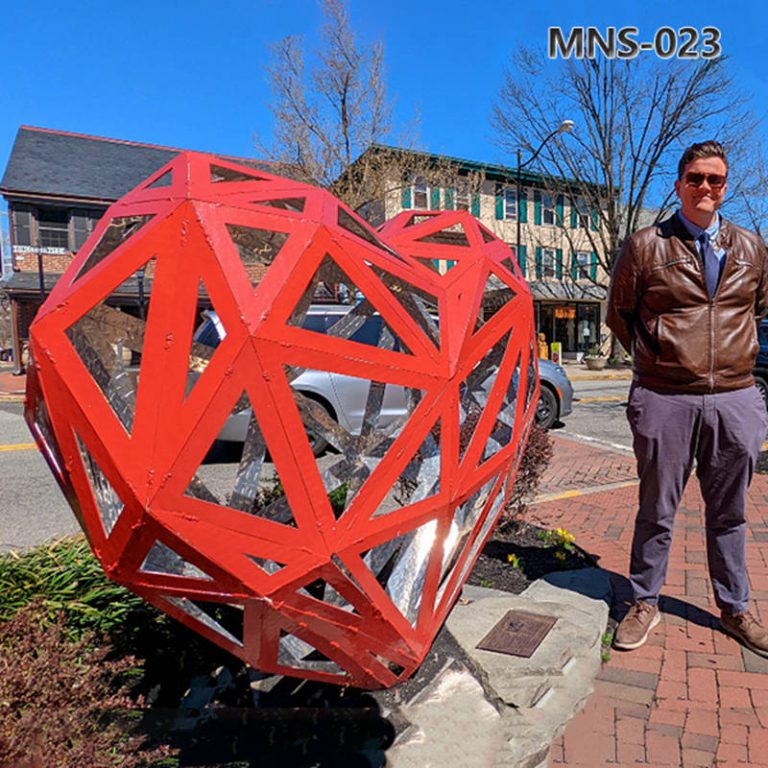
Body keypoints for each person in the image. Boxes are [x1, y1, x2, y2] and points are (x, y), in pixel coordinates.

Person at [606, 140, 768, 655]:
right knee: (657, 508)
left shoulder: (751, 248)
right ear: (678, 184)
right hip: (665, 397)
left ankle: (736, 608)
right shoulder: (645, 245)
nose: (705, 187)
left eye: (715, 180)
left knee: (731, 512)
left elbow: (756, 310)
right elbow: (620, 315)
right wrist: (660, 361)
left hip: (735, 398)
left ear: (725, 188)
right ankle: (643, 601)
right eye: (695, 178)